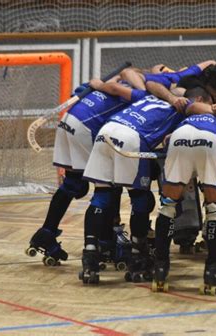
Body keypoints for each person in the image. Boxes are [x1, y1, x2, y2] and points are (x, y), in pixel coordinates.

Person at [79, 83, 216, 284]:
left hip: (107, 131)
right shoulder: (183, 105)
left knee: (101, 196)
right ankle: (138, 257)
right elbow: (206, 110)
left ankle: (90, 256)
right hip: (131, 137)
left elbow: (150, 82)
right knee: (141, 200)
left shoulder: (147, 95)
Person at [25, 77, 146, 267]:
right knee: (108, 183)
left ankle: (46, 233)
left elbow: (78, 91)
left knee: (73, 184)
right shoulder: (134, 94)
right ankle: (106, 242)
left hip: (68, 121)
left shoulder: (110, 84)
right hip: (86, 129)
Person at [151, 86, 216, 295]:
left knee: (168, 206)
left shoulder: (185, 112)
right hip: (210, 140)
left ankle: (161, 268)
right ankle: (212, 270)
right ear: (208, 100)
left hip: (180, 138)